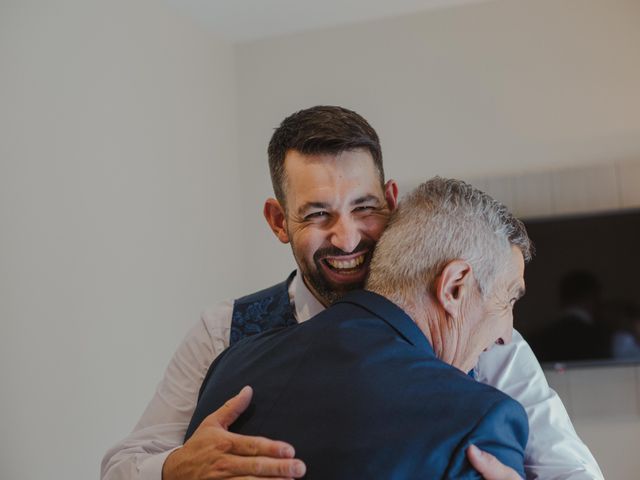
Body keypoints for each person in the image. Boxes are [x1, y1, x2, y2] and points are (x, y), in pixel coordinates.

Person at [101, 106, 603, 480]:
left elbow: (574, 472)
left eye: (363, 208)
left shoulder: (489, 338)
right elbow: (122, 465)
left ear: (390, 201)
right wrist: (174, 469)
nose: (346, 238)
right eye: (318, 214)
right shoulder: (222, 335)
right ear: (279, 221)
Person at [185, 177, 531, 479]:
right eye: (508, 300)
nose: (505, 334)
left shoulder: (230, 366)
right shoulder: (479, 422)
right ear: (454, 286)